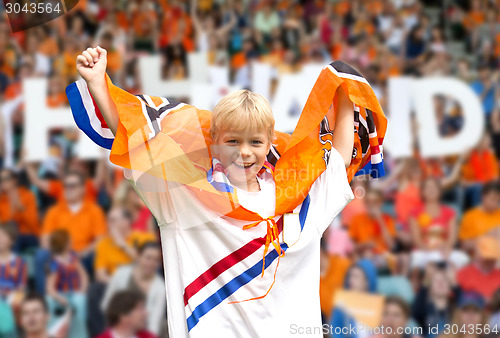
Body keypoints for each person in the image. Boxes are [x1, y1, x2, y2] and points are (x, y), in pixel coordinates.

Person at [70, 43, 386, 337]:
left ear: (269, 144)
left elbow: (338, 161)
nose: (244, 152)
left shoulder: (297, 197)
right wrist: (99, 84)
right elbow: (138, 143)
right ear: (215, 142)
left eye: (255, 142)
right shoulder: (187, 196)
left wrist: (344, 91)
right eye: (232, 141)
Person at [34, 171, 106, 294]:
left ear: (83, 189)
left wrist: (83, 253)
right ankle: (45, 300)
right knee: (41, 255)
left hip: (84, 255)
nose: (68, 189)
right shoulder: (54, 211)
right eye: (65, 186)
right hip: (58, 255)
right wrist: (61, 255)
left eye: (72, 186)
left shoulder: (94, 210)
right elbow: (45, 240)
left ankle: (91, 297)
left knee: (100, 253)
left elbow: (101, 239)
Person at [101, 242, 166, 337]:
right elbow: (107, 305)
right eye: (148, 258)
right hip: (119, 328)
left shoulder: (160, 287)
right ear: (139, 257)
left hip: (143, 331)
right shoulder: (121, 273)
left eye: (156, 260)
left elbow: (154, 322)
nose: (151, 263)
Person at [409, 177, 469, 270]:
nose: (431, 190)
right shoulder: (415, 213)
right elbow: (416, 240)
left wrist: (445, 247)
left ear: (440, 191)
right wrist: (429, 250)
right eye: (427, 187)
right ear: (422, 192)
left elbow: (452, 239)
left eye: (434, 187)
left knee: (463, 258)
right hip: (423, 251)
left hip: (444, 250)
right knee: (418, 260)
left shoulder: (450, 212)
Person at [45, 230, 89, 338]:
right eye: (69, 240)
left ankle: (80, 332)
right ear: (63, 243)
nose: (72, 242)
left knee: (80, 299)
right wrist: (61, 299)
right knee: (49, 300)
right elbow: (49, 289)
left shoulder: (73, 258)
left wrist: (82, 290)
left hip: (75, 292)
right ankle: (51, 332)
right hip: (60, 295)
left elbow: (84, 276)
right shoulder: (54, 263)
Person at [0, 168, 39, 252]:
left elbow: (33, 224)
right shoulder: (1, 200)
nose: (3, 182)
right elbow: (3, 226)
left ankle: (11, 262)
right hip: (7, 237)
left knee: (13, 232)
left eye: (6, 178)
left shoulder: (27, 195)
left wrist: (20, 207)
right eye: (1, 179)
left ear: (14, 180)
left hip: (29, 235)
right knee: (11, 230)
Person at [459, 181, 500, 253]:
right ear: (483, 196)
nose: (495, 203)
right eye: (493, 198)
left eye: (497, 200)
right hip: (478, 256)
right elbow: (464, 246)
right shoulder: (470, 216)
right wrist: (486, 237)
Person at [457, 236, 500, 301]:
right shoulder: (464, 274)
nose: (490, 260)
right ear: (477, 254)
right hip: (472, 309)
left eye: (493, 257)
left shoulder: (498, 274)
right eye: (487, 258)